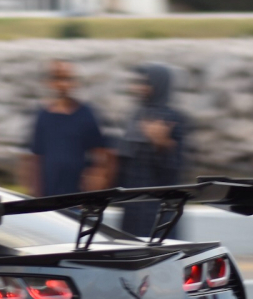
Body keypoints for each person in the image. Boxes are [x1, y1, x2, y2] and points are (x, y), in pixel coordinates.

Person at [20, 60, 114, 197]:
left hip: (78, 193)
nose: (63, 84)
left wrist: (96, 182)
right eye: (58, 78)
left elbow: (100, 153)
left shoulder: (86, 113)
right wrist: (34, 191)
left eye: (68, 79)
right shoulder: (42, 115)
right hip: (49, 191)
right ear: (49, 82)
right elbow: (36, 157)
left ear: (75, 82)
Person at [118, 63, 188, 237]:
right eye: (140, 83)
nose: (141, 88)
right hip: (133, 209)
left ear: (159, 85)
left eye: (147, 83)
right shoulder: (137, 116)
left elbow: (174, 172)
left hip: (158, 211)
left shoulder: (173, 118)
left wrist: (162, 144)